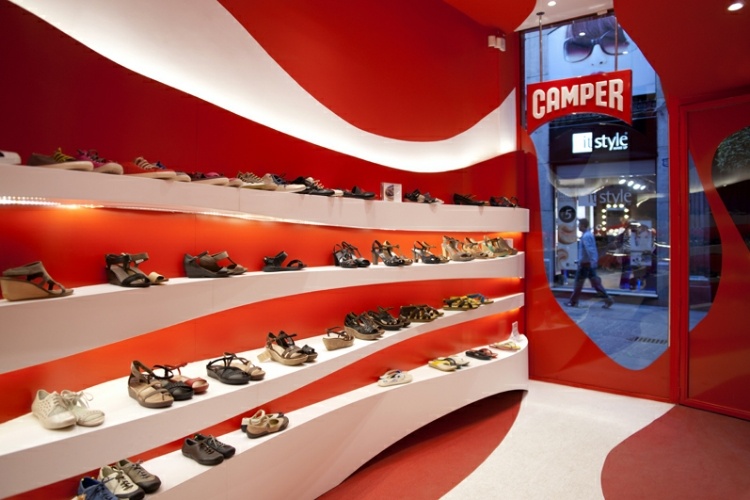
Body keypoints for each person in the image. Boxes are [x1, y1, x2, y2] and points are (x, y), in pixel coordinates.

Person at [565, 218, 614, 309]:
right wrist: (593, 262)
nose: (578, 227)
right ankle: (607, 299)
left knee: (578, 284)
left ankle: (573, 302)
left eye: (579, 225)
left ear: (583, 225)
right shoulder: (588, 235)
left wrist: (590, 261)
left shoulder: (586, 236)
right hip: (588, 264)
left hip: (585, 265)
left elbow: (590, 250)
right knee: (595, 284)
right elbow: (590, 250)